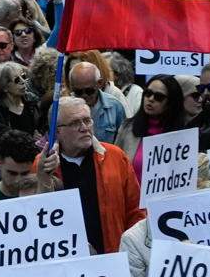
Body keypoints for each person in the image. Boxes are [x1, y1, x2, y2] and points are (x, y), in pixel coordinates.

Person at [40, 97, 142, 254]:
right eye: (75, 123)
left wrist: (133, 251)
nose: (84, 128)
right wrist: (45, 178)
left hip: (114, 256)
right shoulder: (43, 166)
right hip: (65, 261)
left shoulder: (114, 156)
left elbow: (136, 210)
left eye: (87, 121)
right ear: (57, 131)